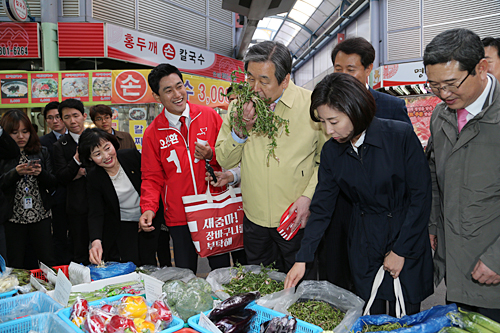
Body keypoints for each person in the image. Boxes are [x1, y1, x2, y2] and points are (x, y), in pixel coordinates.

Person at [285, 73, 433, 316]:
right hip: (364, 239)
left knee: (404, 315)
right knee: (368, 312)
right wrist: (303, 258)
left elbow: (420, 197)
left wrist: (401, 250)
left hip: (405, 232)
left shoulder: (399, 136)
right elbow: (322, 207)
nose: (328, 130)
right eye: (322, 122)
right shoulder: (332, 152)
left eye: (333, 121)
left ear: (355, 110)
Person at [215, 41, 326, 275]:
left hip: (296, 220)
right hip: (254, 221)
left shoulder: (312, 105)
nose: (255, 88)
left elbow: (324, 161)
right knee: (261, 285)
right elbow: (224, 159)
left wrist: (308, 197)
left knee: (300, 288)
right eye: (250, 79)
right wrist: (241, 130)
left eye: (264, 81)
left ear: (285, 80)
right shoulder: (237, 108)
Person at [425, 28, 500, 321]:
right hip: (456, 267)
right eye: (434, 86)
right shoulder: (440, 115)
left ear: (481, 68)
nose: (443, 94)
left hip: (492, 266)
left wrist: (497, 258)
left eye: (451, 84)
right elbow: (434, 175)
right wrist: (432, 225)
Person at [139, 63, 230, 273]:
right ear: (157, 96)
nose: (177, 94)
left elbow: (230, 156)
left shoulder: (209, 116)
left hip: (213, 208)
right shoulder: (153, 133)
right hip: (180, 215)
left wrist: (211, 155)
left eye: (179, 86)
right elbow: (152, 177)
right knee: (185, 275)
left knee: (222, 272)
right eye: (168, 90)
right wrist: (149, 208)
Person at [79, 128, 163, 266]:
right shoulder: (94, 177)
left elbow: (152, 182)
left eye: (107, 148)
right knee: (131, 263)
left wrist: (150, 213)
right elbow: (96, 211)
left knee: (152, 262)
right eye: (97, 154)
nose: (106, 156)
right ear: (90, 158)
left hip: (150, 217)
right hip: (123, 225)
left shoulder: (132, 157)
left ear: (113, 144)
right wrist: (96, 241)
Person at [0, 110, 56, 268]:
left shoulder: (41, 151)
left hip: (40, 215)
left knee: (47, 260)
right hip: (12, 218)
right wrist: (15, 173)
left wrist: (41, 174)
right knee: (15, 262)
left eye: (25, 131)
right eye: (14, 132)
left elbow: (53, 182)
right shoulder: (3, 155)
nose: (21, 137)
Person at [52, 98, 90, 265]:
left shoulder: (97, 138)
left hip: (101, 201)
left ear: (84, 116)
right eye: (67, 117)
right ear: (62, 119)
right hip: (77, 205)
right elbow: (62, 176)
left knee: (107, 247)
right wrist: (75, 160)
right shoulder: (60, 145)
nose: (72, 121)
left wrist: (78, 173)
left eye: (76, 115)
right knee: (79, 248)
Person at [39, 101, 71, 265]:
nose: (55, 121)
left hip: (77, 193)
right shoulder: (42, 142)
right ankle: (61, 267)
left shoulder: (77, 136)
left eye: (58, 116)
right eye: (50, 118)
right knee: (58, 235)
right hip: (55, 195)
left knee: (77, 234)